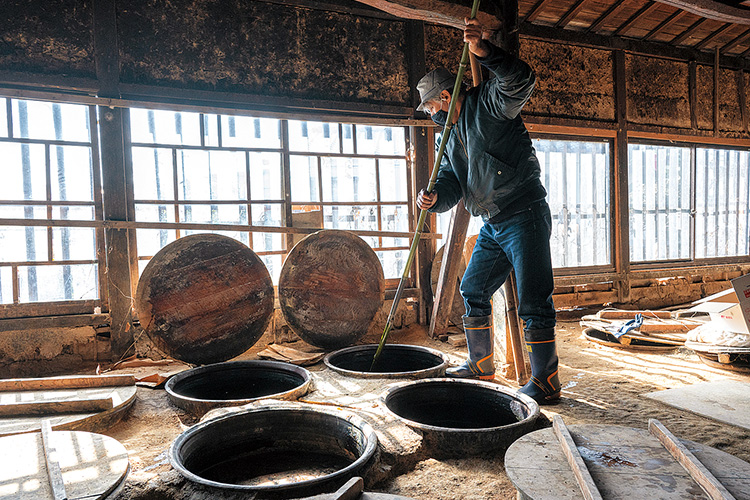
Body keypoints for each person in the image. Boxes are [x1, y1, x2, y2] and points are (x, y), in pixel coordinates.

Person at [416, 18, 560, 404]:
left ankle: (545, 381)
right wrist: (434, 199)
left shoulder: (489, 105)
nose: (430, 113)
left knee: (534, 300)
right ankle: (481, 365)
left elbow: (521, 81)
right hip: (493, 223)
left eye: (430, 105)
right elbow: (450, 180)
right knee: (472, 289)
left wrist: (484, 51)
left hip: (523, 212)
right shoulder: (450, 135)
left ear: (446, 97)